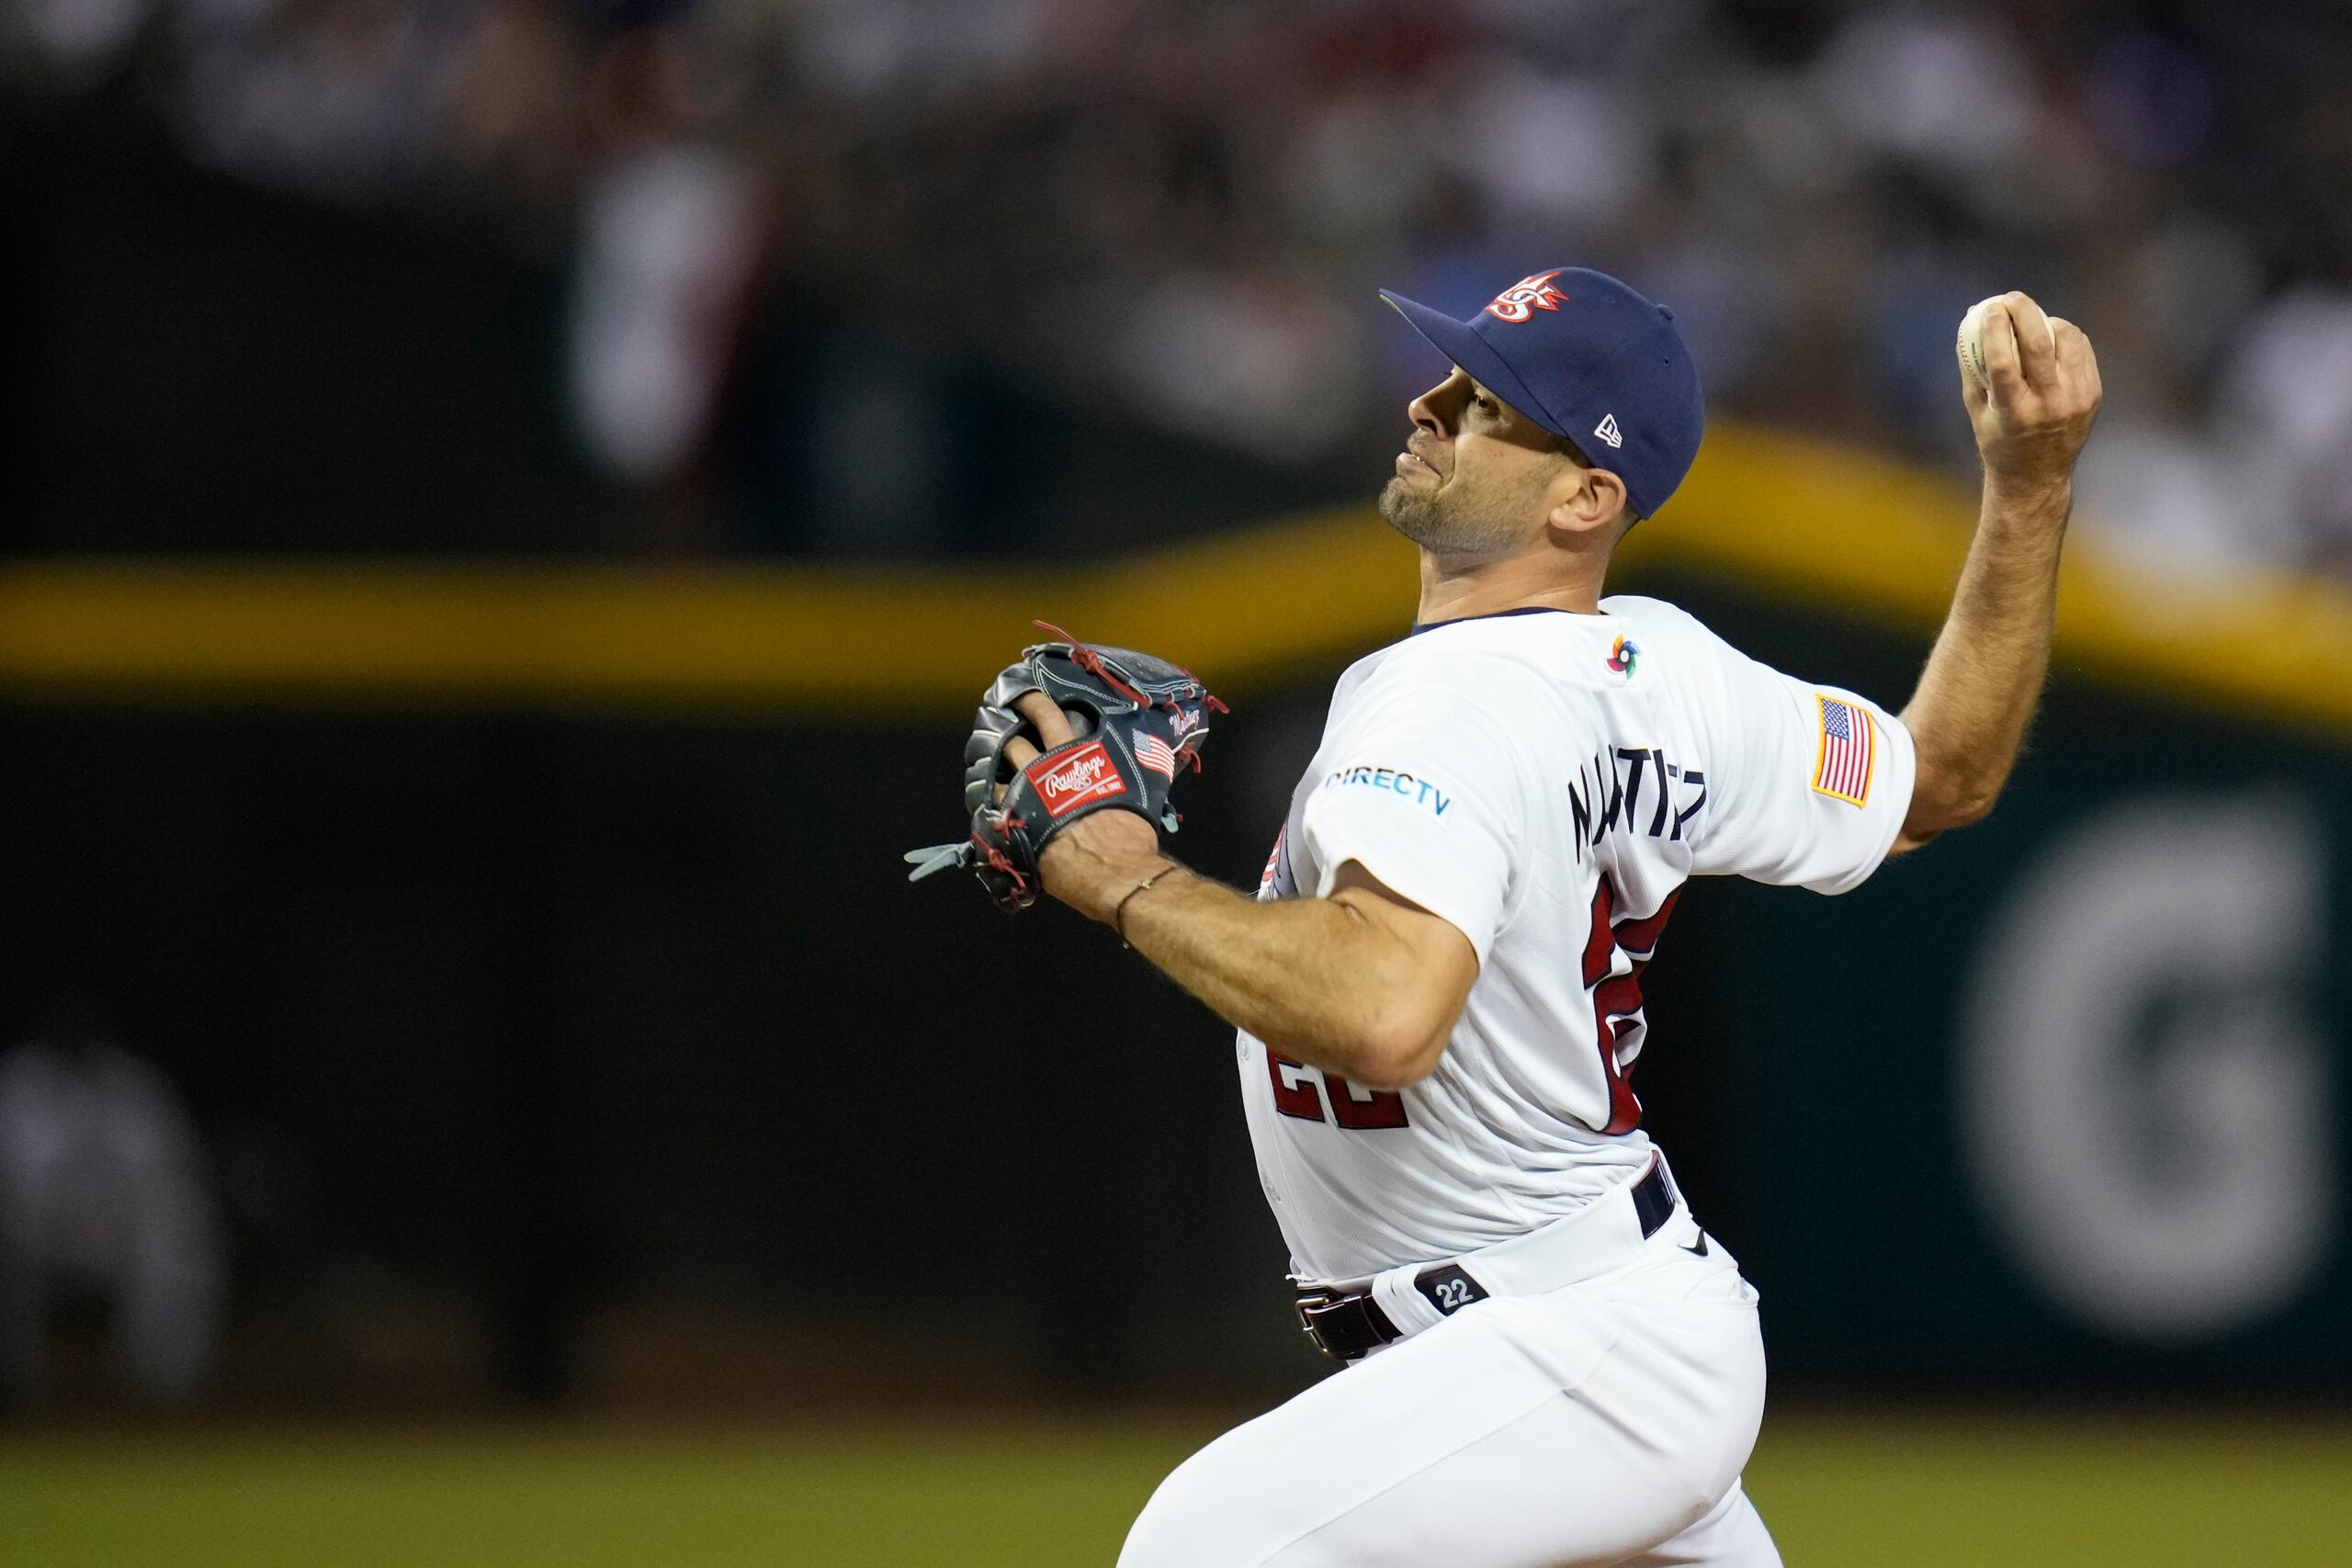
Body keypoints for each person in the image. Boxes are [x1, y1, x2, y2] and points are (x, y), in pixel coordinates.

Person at [993, 267, 2100, 1566]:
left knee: (1208, 1547)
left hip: (1570, 1348)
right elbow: (1943, 771)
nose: (1433, 401)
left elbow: (1385, 1012)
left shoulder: (1452, 706)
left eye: (1491, 404)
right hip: (1593, 1335)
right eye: (1456, 376)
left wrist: (1123, 875)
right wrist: (2029, 488)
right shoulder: (1662, 676)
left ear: (1589, 497)